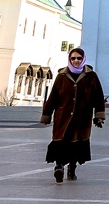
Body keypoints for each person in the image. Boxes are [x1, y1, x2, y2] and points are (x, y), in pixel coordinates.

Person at [40, 47, 105, 183]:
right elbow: (53, 97)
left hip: (82, 117)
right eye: (73, 58)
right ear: (69, 59)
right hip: (62, 116)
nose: (76, 61)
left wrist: (99, 115)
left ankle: (72, 169)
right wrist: (46, 115)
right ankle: (59, 167)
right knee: (60, 142)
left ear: (83, 59)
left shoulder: (91, 76)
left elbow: (98, 97)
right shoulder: (62, 76)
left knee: (77, 144)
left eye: (79, 58)